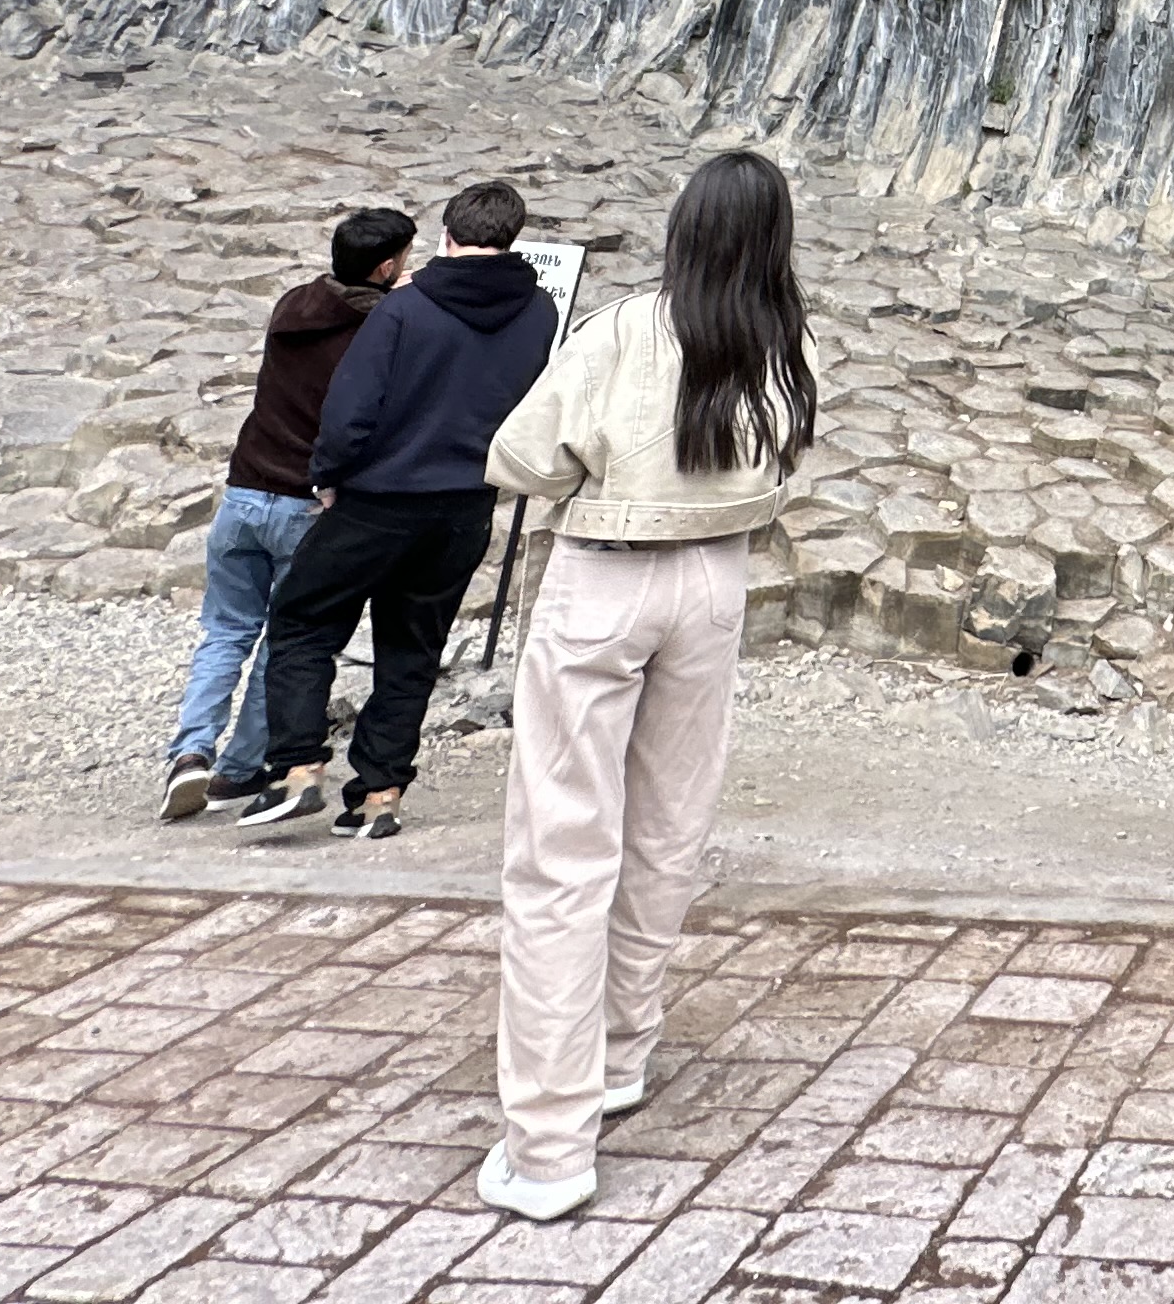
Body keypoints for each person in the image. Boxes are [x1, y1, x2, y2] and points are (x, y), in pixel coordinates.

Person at [472, 150, 820, 1225]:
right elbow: (785, 465)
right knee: (668, 827)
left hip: (606, 576)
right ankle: (622, 1052)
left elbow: (523, 458)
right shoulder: (787, 339)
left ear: (685, 228)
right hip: (714, 583)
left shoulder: (623, 329)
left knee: (561, 849)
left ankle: (548, 1144)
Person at [239, 178, 555, 841]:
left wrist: (328, 475)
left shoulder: (404, 309)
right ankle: (379, 793)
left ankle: (297, 766)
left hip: (380, 500)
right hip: (466, 505)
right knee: (412, 650)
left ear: (447, 235)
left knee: (303, 620)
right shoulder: (540, 313)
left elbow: (352, 408)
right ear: (513, 237)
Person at [162, 206, 415, 817]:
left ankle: (190, 752)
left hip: (245, 490)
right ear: (387, 267)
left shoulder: (292, 305)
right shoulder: (383, 330)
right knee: (286, 638)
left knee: (225, 632)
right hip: (306, 504)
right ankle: (240, 768)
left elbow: (342, 302)